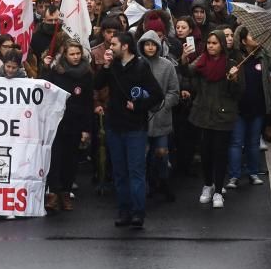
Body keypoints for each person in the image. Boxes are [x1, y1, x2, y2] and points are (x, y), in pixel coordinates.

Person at [95, 32, 162, 228]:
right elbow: (97, 85)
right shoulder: (113, 65)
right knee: (120, 171)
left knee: (136, 171)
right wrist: (105, 67)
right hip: (115, 126)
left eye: (114, 44)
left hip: (135, 127)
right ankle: (123, 211)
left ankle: (138, 213)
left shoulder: (141, 66)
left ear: (125, 46)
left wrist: (139, 106)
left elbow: (157, 94)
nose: (110, 46)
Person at [188, 31, 244, 210]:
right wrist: (183, 59)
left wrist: (234, 80)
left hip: (223, 115)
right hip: (203, 114)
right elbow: (189, 76)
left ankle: (219, 190)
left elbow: (238, 93)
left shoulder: (232, 65)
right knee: (205, 153)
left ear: (221, 45)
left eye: (214, 43)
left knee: (220, 153)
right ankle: (208, 184)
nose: (211, 46)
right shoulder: (201, 62)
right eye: (209, 43)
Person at [226, 26, 271, 190]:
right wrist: (231, 77)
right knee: (236, 142)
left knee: (253, 142)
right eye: (252, 35)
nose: (256, 37)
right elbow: (228, 84)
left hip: (258, 107)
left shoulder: (263, 57)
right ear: (243, 41)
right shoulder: (235, 59)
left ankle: (253, 172)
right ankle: (234, 175)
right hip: (239, 108)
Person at [43, 39, 94, 212]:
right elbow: (43, 90)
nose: (75, 57)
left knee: (71, 160)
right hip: (57, 122)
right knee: (55, 158)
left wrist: (87, 128)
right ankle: (54, 193)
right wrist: (45, 68)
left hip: (76, 122)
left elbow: (88, 102)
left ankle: (65, 192)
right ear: (65, 54)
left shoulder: (86, 73)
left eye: (78, 53)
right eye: (72, 54)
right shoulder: (56, 72)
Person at [138, 30, 179, 202]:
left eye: (153, 44)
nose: (150, 47)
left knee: (162, 153)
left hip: (161, 118)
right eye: (146, 44)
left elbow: (173, 91)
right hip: (141, 118)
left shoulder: (167, 65)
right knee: (143, 154)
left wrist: (164, 105)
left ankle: (163, 181)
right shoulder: (137, 64)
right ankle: (147, 184)